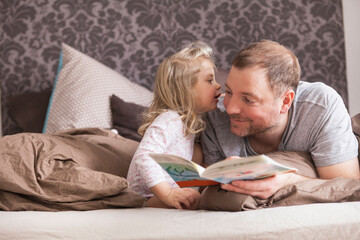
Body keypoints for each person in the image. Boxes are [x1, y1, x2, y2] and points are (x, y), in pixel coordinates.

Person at [200, 39, 360, 203]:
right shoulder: (214, 115)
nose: (230, 108)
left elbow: (348, 188)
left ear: (285, 102)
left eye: (248, 99)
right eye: (229, 91)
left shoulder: (321, 108)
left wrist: (288, 182)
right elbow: (207, 189)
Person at [127, 41, 221, 209]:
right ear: (186, 90)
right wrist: (168, 194)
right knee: (198, 203)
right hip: (146, 195)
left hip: (166, 189)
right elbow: (144, 157)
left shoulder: (189, 125)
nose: (218, 85)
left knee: (200, 154)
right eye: (209, 80)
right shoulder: (170, 120)